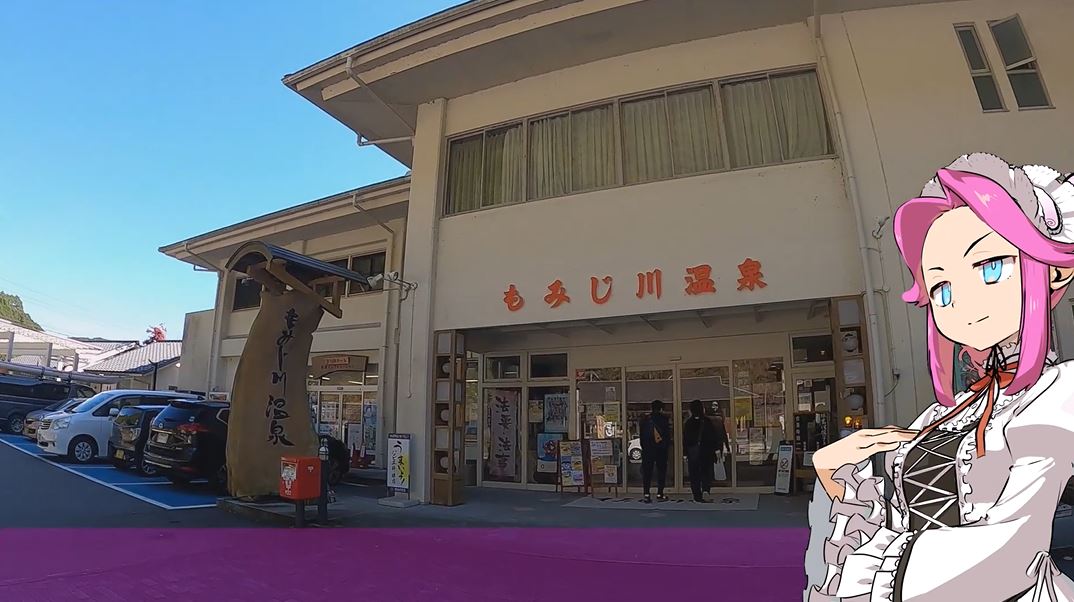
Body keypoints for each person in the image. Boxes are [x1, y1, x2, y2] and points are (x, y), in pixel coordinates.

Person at [804, 153, 1074, 601]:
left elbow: (1012, 549)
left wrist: (863, 580)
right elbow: (891, 519)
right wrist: (835, 476)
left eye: (989, 268)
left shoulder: (1060, 393)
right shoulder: (944, 413)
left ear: (1056, 269)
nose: (961, 301)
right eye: (942, 288)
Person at [683, 399, 717, 502]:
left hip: (693, 453)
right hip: (706, 452)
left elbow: (685, 439)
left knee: (694, 475)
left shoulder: (688, 423)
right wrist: (714, 450)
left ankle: (697, 495)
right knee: (706, 472)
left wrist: (685, 453)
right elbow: (712, 437)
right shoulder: (707, 421)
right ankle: (706, 490)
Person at [639, 399, 670, 503]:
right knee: (661, 471)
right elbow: (667, 435)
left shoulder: (645, 419)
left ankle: (646, 494)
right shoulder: (664, 419)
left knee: (647, 472)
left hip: (648, 449)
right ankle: (660, 493)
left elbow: (641, 436)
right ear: (661, 408)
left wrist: (644, 447)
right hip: (661, 449)